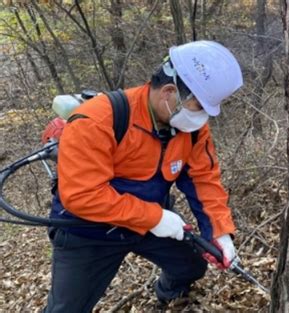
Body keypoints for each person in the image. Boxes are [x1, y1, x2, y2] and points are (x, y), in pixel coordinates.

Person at [43, 40, 243, 312]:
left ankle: (168, 295)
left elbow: (203, 178)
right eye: (199, 106)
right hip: (88, 231)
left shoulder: (192, 129)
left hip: (152, 220)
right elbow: (81, 195)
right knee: (67, 309)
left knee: (192, 265)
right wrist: (155, 218)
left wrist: (219, 232)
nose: (203, 117)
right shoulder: (98, 119)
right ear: (169, 92)